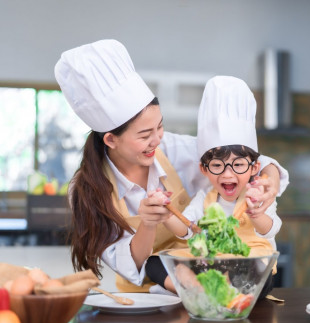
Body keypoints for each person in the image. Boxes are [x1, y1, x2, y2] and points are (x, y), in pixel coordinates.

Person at [54, 39, 289, 293]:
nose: (157, 140)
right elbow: (130, 265)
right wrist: (150, 223)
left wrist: (270, 181)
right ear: (111, 139)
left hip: (203, 286)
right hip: (144, 301)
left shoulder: (172, 148)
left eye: (160, 126)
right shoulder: (86, 190)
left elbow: (238, 156)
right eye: (144, 135)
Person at [146, 76, 281, 297]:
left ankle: (213, 288)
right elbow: (187, 231)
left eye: (238, 165)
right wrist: (166, 214)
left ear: (255, 167)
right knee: (154, 263)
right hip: (211, 261)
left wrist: (257, 213)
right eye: (217, 166)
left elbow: (271, 229)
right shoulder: (204, 198)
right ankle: (202, 287)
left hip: (249, 262)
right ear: (204, 169)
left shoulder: (258, 195)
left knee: (261, 276)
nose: (228, 174)